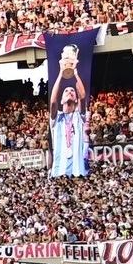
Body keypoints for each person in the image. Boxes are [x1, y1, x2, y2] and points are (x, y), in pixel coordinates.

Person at [48, 44, 90, 176]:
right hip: (58, 172)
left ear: (75, 100)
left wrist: (74, 72)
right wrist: (61, 73)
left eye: (72, 91)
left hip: (78, 173)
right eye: (66, 91)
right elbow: (53, 101)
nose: (70, 92)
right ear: (62, 100)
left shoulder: (79, 116)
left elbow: (83, 96)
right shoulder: (57, 118)